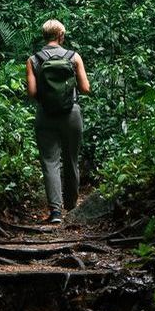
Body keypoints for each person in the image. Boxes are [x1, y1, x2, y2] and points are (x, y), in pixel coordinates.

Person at [25, 19, 91, 224]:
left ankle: (55, 212)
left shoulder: (33, 59)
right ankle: (71, 208)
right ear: (61, 36)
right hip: (71, 114)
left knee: (50, 162)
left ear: (44, 36)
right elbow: (85, 88)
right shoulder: (74, 57)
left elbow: (32, 92)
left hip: (45, 115)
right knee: (71, 160)